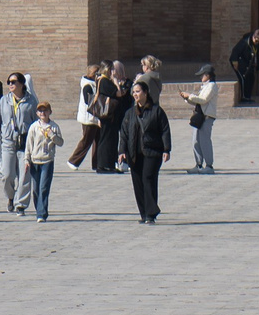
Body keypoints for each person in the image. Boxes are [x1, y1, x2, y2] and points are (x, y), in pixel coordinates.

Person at [120, 79, 171, 223]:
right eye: (133, 92)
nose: (135, 94)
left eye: (138, 91)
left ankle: (151, 212)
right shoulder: (130, 113)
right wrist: (121, 151)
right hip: (134, 153)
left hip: (152, 152)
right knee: (138, 183)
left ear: (146, 93)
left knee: (148, 179)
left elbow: (165, 130)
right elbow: (124, 133)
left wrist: (166, 149)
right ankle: (143, 213)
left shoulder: (156, 111)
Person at [0, 72, 37, 214]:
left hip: (24, 142)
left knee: (24, 175)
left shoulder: (31, 101)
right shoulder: (4, 100)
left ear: (21, 84)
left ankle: (21, 204)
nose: (10, 84)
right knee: (7, 174)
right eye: (9, 82)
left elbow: (36, 122)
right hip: (8, 141)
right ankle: (10, 197)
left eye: (13, 82)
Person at [25, 101, 63, 222]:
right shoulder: (34, 127)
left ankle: (41, 214)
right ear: (37, 113)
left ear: (49, 112)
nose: (43, 113)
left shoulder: (54, 127)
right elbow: (29, 144)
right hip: (35, 160)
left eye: (45, 110)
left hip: (47, 161)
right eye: (40, 111)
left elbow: (61, 142)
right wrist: (27, 159)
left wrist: (52, 135)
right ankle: (39, 209)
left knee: (43, 187)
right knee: (36, 190)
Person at [182, 67, 222, 173]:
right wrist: (187, 98)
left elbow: (203, 100)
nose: (201, 77)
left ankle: (209, 165)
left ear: (208, 75)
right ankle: (198, 164)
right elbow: (198, 102)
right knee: (195, 140)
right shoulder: (204, 86)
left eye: (202, 75)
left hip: (207, 117)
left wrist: (190, 95)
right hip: (200, 116)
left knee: (205, 141)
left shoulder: (212, 86)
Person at [69, 66, 107, 170]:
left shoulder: (94, 84)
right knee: (86, 141)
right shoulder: (88, 85)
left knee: (97, 140)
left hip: (94, 117)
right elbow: (88, 102)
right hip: (88, 118)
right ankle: (73, 161)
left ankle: (96, 163)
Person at [90, 64, 124, 174]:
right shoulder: (104, 81)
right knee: (106, 140)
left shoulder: (103, 80)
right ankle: (103, 165)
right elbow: (118, 93)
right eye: (112, 69)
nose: (113, 71)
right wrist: (116, 81)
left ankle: (110, 165)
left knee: (112, 139)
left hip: (111, 116)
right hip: (107, 116)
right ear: (107, 69)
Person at [229, 31, 259, 106]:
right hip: (240, 63)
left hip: (248, 64)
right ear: (253, 37)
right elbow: (235, 52)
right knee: (243, 79)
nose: (257, 42)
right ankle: (243, 97)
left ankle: (248, 96)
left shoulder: (255, 45)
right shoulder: (244, 43)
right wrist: (235, 62)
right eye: (256, 40)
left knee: (251, 78)